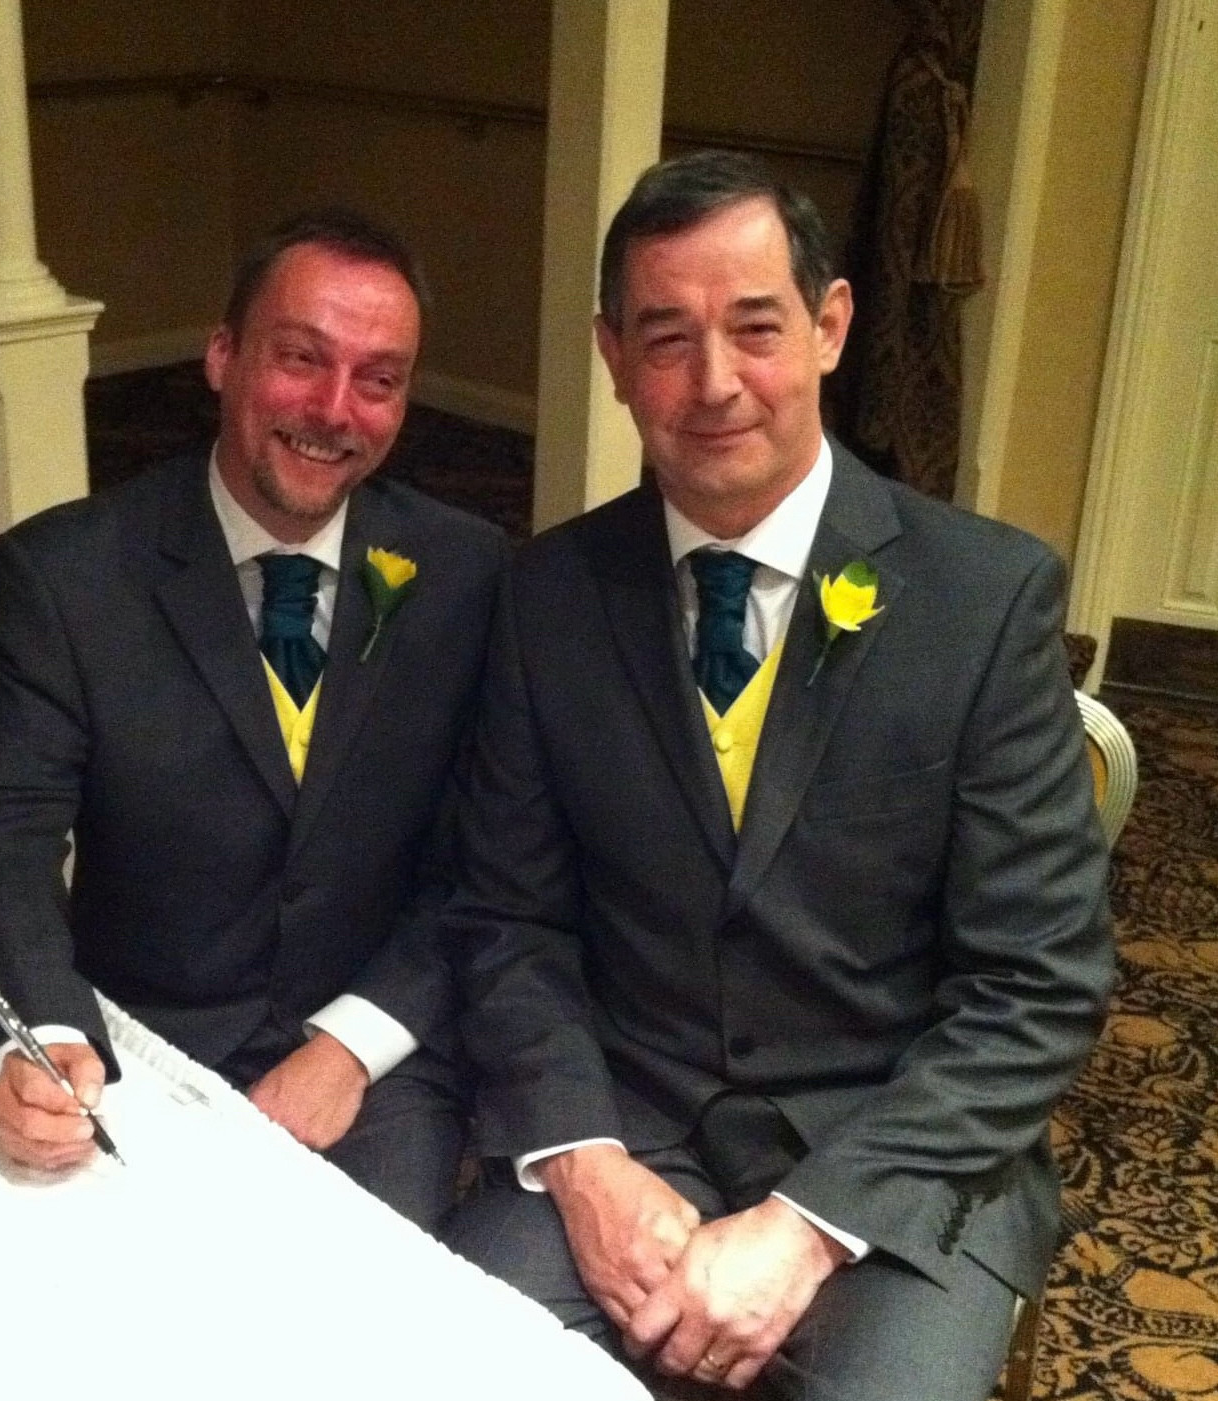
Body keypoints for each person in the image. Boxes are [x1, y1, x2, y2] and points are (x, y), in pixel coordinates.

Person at [440, 151, 1113, 1398]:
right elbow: (508, 922)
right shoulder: (546, 599)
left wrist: (808, 1223)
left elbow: (1037, 984)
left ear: (830, 326)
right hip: (628, 1143)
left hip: (895, 1176)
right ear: (611, 355)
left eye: (755, 328)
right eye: (666, 338)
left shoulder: (984, 598)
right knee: (428, 1366)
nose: (714, 384)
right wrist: (584, 1164)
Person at [0, 209, 508, 1231]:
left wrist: (349, 1046)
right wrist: (41, 1032)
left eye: (379, 379)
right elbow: (2, 834)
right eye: (300, 359)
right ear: (223, 354)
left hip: (374, 1062)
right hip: (135, 1046)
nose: (334, 409)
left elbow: (490, 861)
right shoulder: (68, 577)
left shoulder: (467, 574)